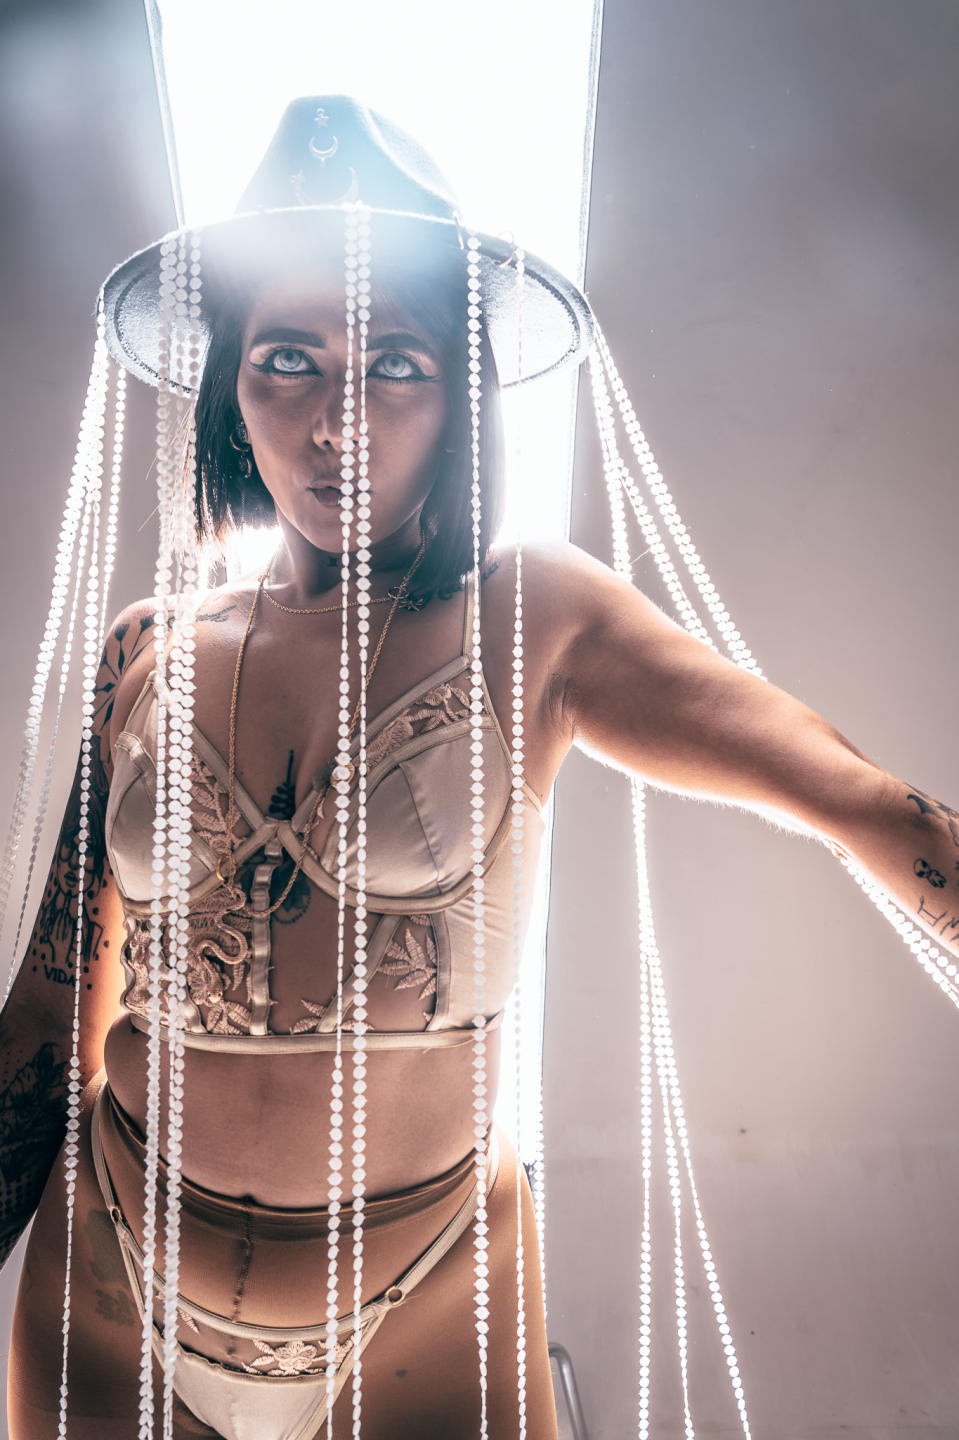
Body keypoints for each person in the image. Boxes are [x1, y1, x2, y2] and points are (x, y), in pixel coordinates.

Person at [3, 95, 959, 1440]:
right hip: (110, 1281)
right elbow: (54, 1013)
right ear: (231, 383)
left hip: (428, 1299)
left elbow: (861, 803)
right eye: (289, 360)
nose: (337, 423)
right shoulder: (146, 651)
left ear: (460, 390)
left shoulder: (535, 619)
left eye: (393, 363)